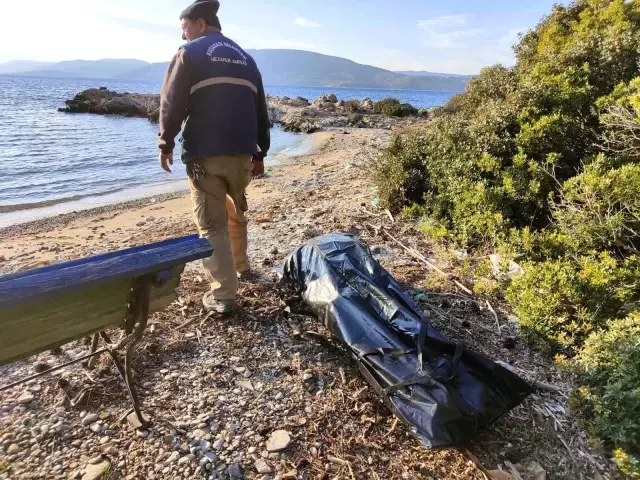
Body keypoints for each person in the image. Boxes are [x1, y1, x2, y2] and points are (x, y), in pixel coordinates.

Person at [157, 0, 270, 314]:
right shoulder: (246, 59)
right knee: (235, 210)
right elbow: (260, 109)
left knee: (211, 225)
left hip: (205, 155)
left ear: (200, 24)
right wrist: (261, 153)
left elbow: (171, 103)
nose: (183, 36)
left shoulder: (189, 54)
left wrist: (165, 144)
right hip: (243, 156)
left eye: (185, 28)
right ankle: (241, 266)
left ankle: (223, 295)